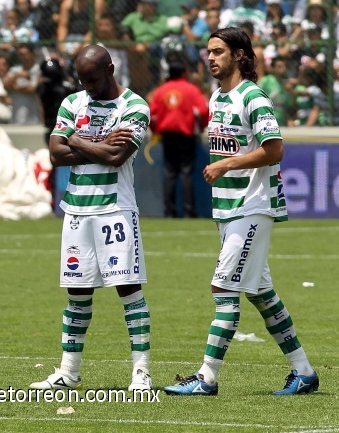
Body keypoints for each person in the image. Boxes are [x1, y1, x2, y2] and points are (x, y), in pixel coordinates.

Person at [164, 27, 319, 396]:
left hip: (253, 207)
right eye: (208, 52)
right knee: (261, 294)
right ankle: (304, 372)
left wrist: (228, 164)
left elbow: (275, 148)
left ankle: (206, 377)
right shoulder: (217, 97)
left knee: (223, 288)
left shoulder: (253, 97)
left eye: (218, 51)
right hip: (229, 210)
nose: (210, 58)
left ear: (239, 55)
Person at [30, 45, 153, 392]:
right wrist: (93, 143)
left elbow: (117, 156)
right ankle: (68, 373)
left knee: (128, 291)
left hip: (115, 209)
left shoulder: (134, 106)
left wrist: (75, 139)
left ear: (111, 69)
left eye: (94, 79)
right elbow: (55, 153)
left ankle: (141, 373)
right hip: (76, 210)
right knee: (77, 293)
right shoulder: (73, 102)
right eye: (83, 80)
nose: (88, 86)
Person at [149, 61, 208, 218]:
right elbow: (203, 110)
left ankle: (169, 211)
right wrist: (202, 127)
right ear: (183, 72)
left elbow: (150, 114)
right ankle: (189, 211)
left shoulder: (161, 91)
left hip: (167, 135)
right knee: (186, 172)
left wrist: (155, 131)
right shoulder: (191, 89)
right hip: (186, 135)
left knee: (169, 172)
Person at [3, 43, 42, 124]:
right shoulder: (15, 70)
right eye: (20, 55)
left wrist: (16, 88)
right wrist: (16, 76)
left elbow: (33, 89)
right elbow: (6, 86)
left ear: (33, 54)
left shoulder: (39, 70)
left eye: (25, 54)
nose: (23, 57)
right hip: (17, 116)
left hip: (34, 116)